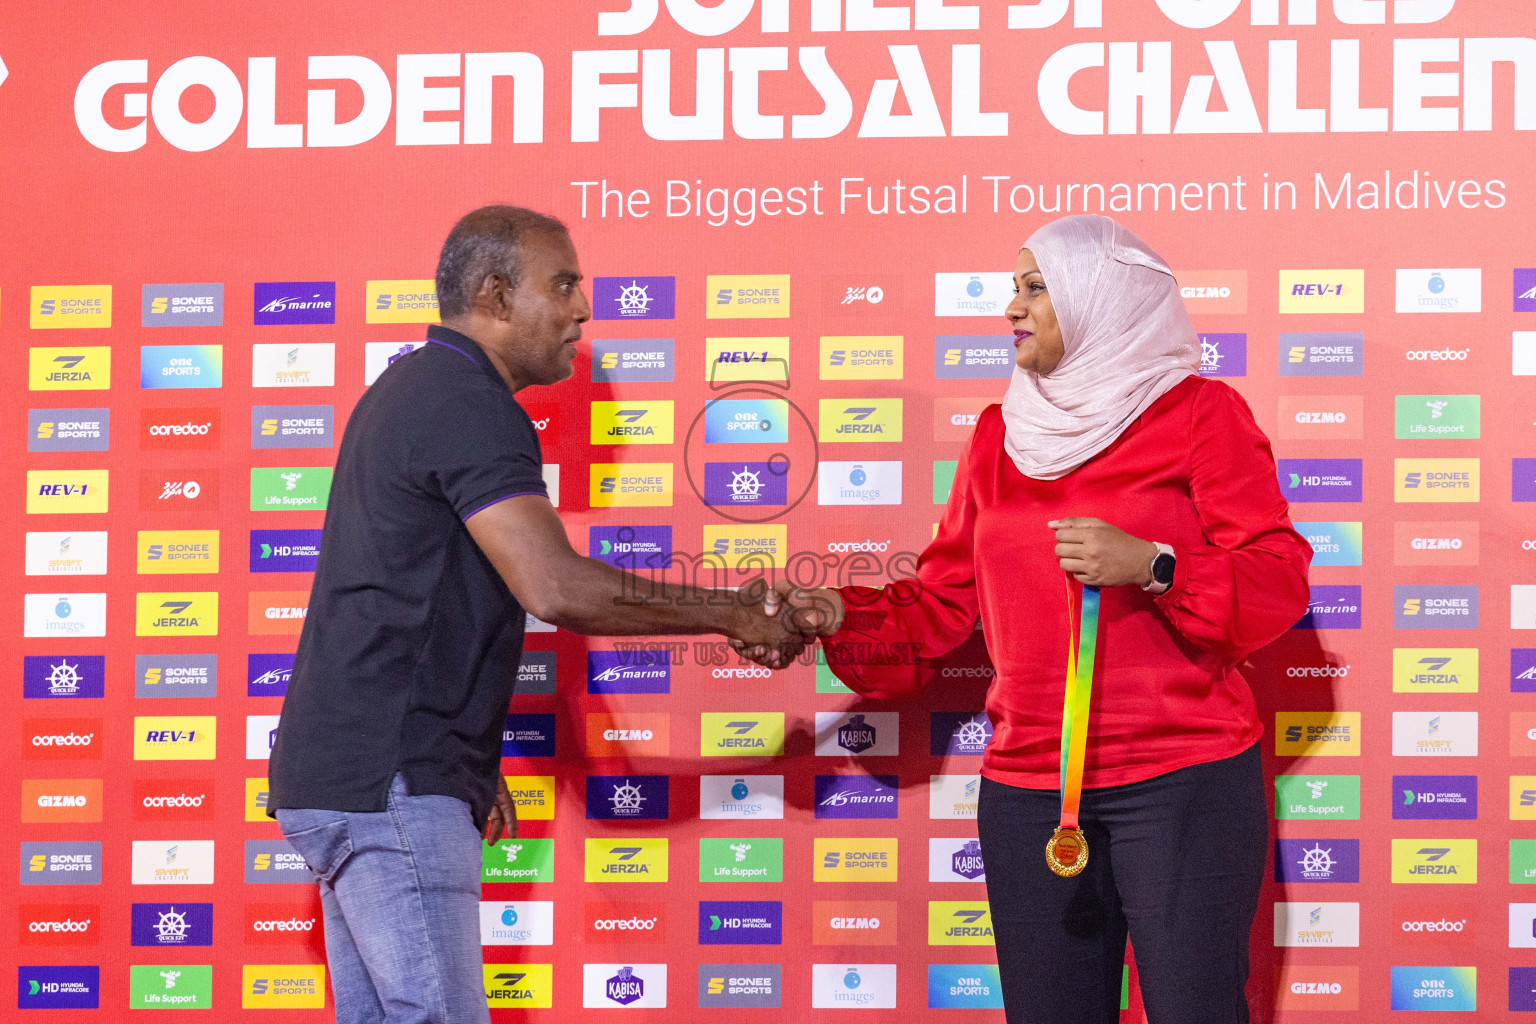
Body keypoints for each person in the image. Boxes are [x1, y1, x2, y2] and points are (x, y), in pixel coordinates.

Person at [757, 214, 1311, 1023]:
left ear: (1100, 298)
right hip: (1028, 791)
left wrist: (1155, 566)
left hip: (1181, 783)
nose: (1012, 310)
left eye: (1036, 288)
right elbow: (944, 602)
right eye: (1013, 290)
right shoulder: (998, 436)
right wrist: (840, 612)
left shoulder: (1200, 414)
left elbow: (1277, 579)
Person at [267, 205, 805, 1024]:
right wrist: (731, 610)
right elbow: (555, 587)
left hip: (361, 772)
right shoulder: (467, 402)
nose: (582, 309)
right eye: (563, 285)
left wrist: (460, 770)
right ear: (495, 294)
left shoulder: (413, 385)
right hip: (389, 778)